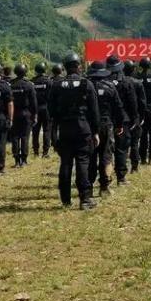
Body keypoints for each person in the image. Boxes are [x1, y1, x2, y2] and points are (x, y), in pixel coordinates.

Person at [49, 52, 100, 209]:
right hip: (83, 128)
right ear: (78, 66)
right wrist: (96, 131)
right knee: (82, 162)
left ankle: (65, 200)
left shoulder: (56, 85)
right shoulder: (86, 84)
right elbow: (94, 111)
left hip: (64, 128)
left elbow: (51, 110)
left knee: (65, 163)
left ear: (65, 68)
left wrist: (56, 128)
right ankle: (85, 199)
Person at [86, 61, 123, 196]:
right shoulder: (110, 87)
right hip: (106, 126)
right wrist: (119, 125)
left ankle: (88, 187)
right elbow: (118, 108)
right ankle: (104, 187)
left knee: (90, 156)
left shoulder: (86, 86)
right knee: (106, 156)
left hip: (89, 126)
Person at [107, 55, 139, 185]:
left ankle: (106, 178)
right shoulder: (126, 82)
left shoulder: (104, 82)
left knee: (106, 151)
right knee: (121, 149)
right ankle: (121, 177)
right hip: (124, 119)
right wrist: (135, 118)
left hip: (107, 119)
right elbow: (133, 102)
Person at [10, 63, 37, 167]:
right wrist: (34, 115)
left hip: (14, 113)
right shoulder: (29, 84)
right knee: (25, 137)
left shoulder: (11, 84)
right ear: (25, 72)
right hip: (26, 114)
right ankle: (24, 160)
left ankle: (16, 161)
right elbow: (34, 102)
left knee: (15, 137)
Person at [124, 59, 147, 172]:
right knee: (134, 143)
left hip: (123, 117)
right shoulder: (138, 83)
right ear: (133, 69)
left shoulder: (120, 82)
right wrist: (141, 117)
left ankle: (121, 168)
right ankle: (134, 166)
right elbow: (142, 102)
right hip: (135, 116)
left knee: (122, 144)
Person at [32, 62, 52, 158]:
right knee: (47, 130)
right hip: (46, 108)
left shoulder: (32, 82)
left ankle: (36, 151)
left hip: (35, 109)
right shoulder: (48, 81)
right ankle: (45, 152)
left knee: (35, 131)